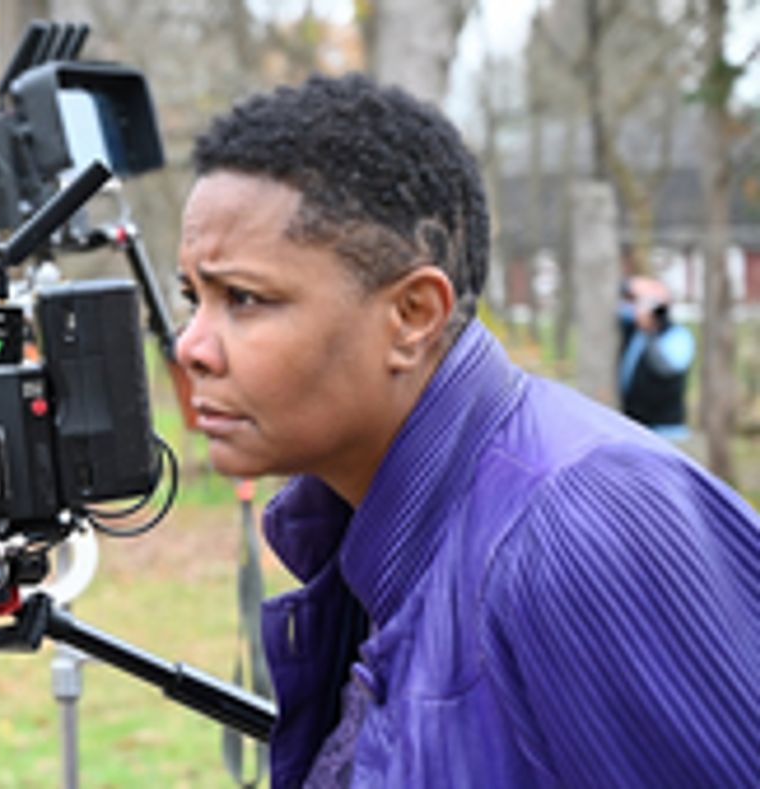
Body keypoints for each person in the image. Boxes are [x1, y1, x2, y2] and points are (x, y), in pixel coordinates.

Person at [174, 74, 760, 788]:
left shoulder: (574, 530)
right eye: (193, 298)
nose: (190, 346)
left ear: (413, 315)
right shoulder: (367, 531)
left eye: (243, 298)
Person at [617, 275, 695, 438]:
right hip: (633, 424)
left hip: (666, 429)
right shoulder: (633, 330)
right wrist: (636, 287)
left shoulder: (678, 335)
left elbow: (666, 368)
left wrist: (650, 330)